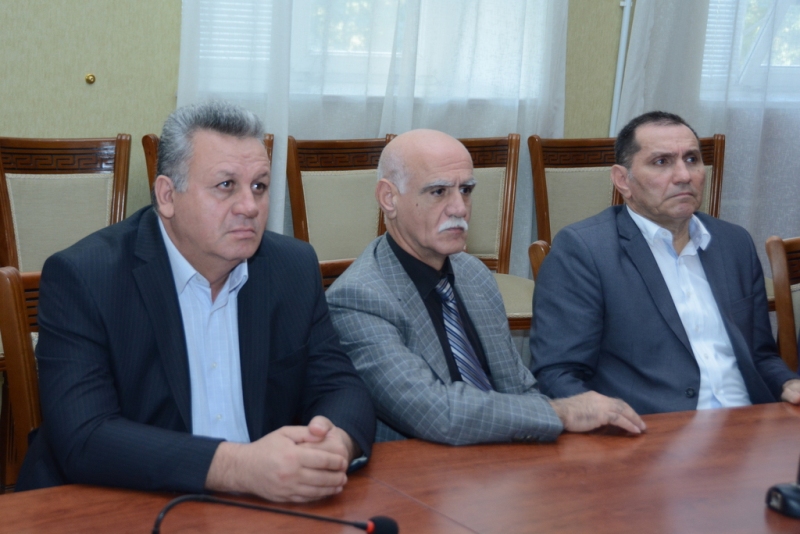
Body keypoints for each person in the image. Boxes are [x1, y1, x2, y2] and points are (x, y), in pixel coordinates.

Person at [17, 101, 375, 502]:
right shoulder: (85, 276)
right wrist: (239, 467)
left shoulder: (292, 267)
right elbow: (85, 436)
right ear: (167, 196)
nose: (250, 207)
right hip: (120, 502)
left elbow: (341, 387)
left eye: (259, 186)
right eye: (226, 186)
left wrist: (332, 444)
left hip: (263, 506)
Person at [326, 129, 646, 446]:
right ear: (389, 198)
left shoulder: (473, 273)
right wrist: (561, 412)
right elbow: (436, 413)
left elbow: (519, 386)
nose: (460, 208)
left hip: (503, 453)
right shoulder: (358, 297)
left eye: (466, 190)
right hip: (423, 466)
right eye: (438, 192)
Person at [531, 111, 800, 415]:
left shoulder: (734, 243)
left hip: (748, 423)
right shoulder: (585, 250)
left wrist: (787, 383)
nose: (684, 175)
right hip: (653, 429)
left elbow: (760, 356)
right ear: (622, 180)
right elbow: (557, 374)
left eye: (692, 159)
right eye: (662, 162)